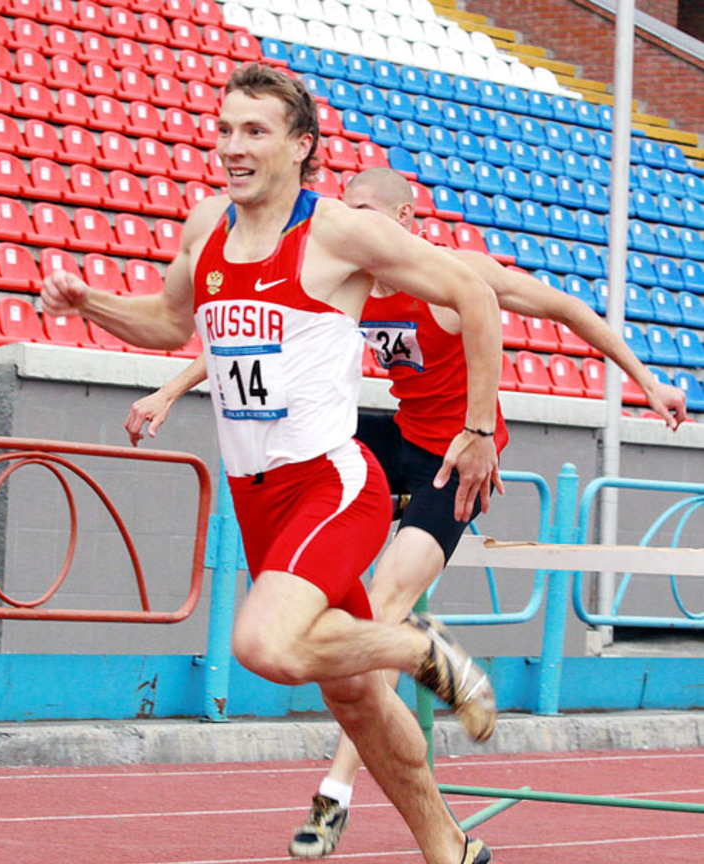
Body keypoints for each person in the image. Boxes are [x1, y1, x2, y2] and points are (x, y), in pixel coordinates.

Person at [123, 165, 688, 859]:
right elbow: (250, 342)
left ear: (407, 222)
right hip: (396, 432)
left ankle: (336, 790)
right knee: (309, 455)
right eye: (345, 208)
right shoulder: (346, 269)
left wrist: (646, 380)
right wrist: (170, 390)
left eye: (366, 210)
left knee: (387, 598)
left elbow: (566, 311)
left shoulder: (450, 273)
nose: (351, 220)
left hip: (456, 453)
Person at [42, 64, 507, 864]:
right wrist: (92, 304)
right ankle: (450, 850)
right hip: (256, 498)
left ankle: (415, 647)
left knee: (264, 645)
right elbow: (167, 323)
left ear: (301, 147)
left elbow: (478, 298)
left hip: (330, 483)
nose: (231, 147)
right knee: (354, 697)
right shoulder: (206, 227)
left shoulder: (337, 231)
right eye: (224, 130)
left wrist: (476, 430)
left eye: (254, 131)